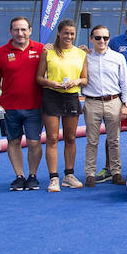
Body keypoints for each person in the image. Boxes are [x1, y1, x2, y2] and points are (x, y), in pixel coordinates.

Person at [0, 16, 46, 191]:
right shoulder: (0, 53)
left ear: (30, 30)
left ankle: (32, 175)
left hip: (35, 106)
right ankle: (19, 176)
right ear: (11, 31)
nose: (20, 33)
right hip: (9, 108)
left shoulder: (41, 50)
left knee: (34, 142)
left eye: (23, 29)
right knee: (13, 141)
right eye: (16, 29)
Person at [36, 18, 88, 192]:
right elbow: (39, 77)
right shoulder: (48, 52)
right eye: (66, 33)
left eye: (72, 33)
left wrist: (77, 81)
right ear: (59, 33)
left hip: (71, 96)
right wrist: (51, 83)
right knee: (51, 138)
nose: (69, 36)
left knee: (71, 137)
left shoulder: (81, 54)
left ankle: (69, 175)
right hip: (51, 95)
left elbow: (85, 78)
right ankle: (53, 178)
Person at [82, 24, 127, 188]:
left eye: (105, 38)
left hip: (113, 102)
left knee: (114, 140)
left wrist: (126, 104)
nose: (101, 41)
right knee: (92, 140)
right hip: (92, 102)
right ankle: (89, 173)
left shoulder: (118, 58)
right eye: (97, 38)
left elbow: (125, 82)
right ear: (91, 39)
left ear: (109, 39)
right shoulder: (84, 57)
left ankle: (116, 172)